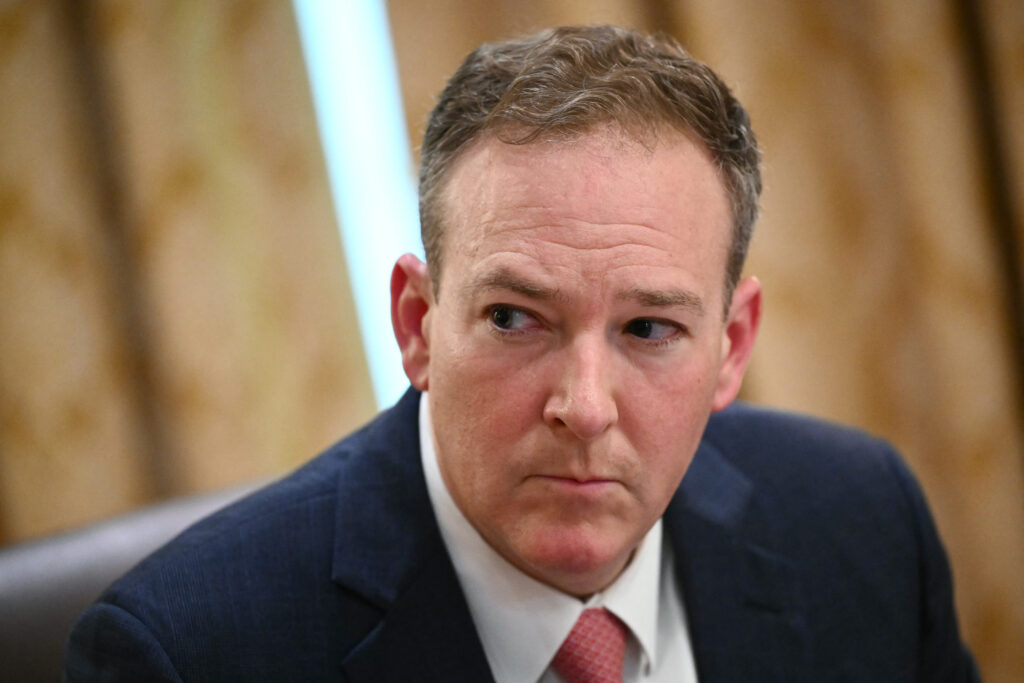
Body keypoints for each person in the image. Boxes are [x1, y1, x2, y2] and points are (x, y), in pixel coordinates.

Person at [64, 25, 979, 682]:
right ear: (420, 324)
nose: (584, 407)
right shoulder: (186, 654)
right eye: (514, 318)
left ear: (731, 347)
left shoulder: (860, 524)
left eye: (648, 330)